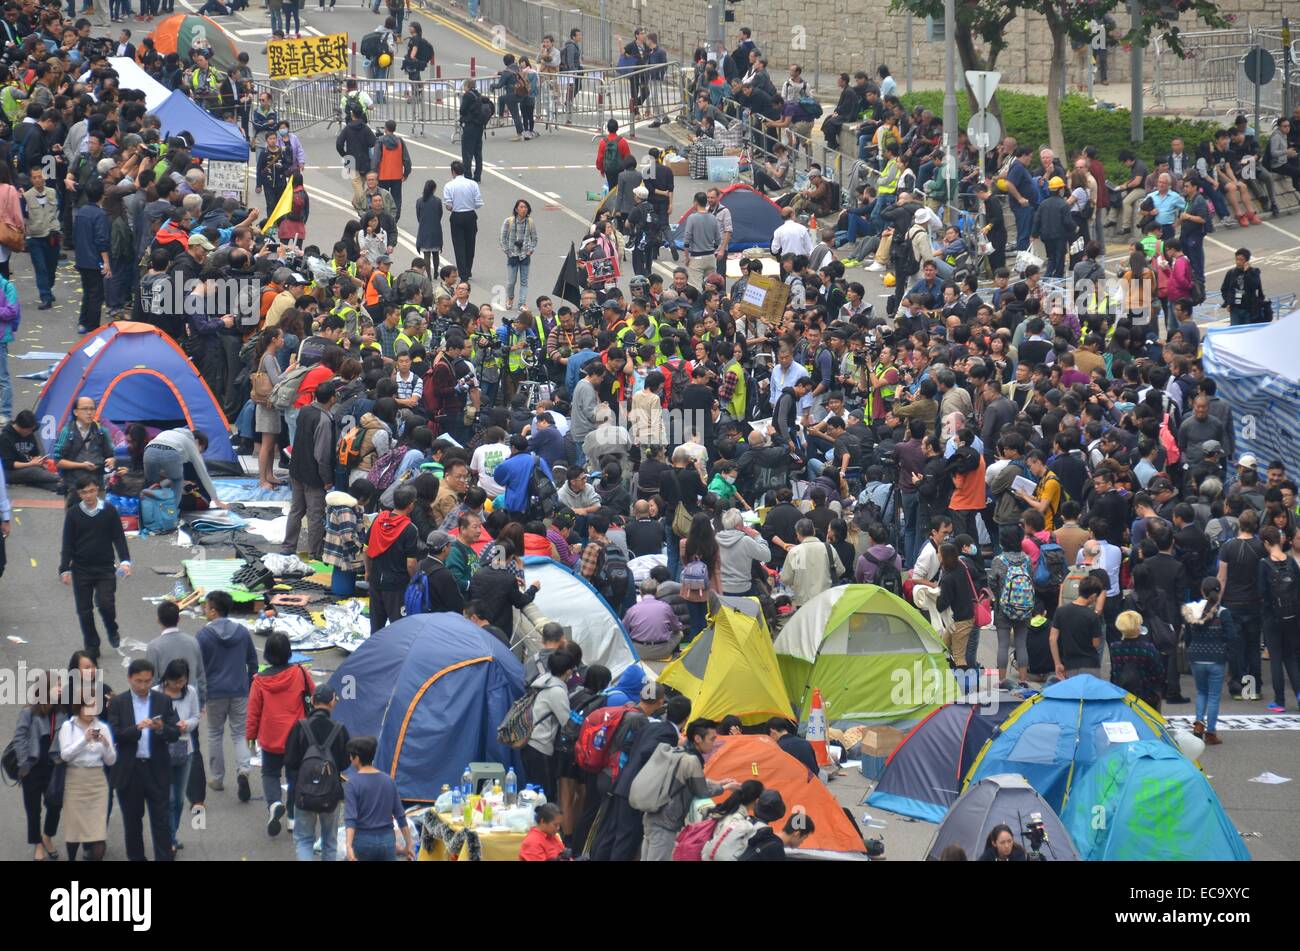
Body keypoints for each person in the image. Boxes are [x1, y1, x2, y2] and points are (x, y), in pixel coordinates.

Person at [105, 658, 180, 862]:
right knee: (132, 821)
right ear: (130, 679)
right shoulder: (118, 702)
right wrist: (136, 729)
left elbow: (175, 733)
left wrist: (161, 728)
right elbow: (114, 733)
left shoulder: (163, 701)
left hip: (157, 769)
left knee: (161, 821)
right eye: (139, 681)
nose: (143, 686)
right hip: (131, 770)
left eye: (147, 681)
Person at [639, 718, 739, 861]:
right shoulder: (692, 760)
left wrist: (720, 782)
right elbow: (701, 790)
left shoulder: (680, 751)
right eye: (711, 739)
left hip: (652, 815)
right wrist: (726, 787)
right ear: (698, 738)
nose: (714, 743)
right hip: (665, 821)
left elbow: (693, 781)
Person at [246, 631, 316, 838]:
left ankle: (274, 803)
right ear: (288, 652)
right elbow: (312, 696)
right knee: (295, 777)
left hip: (270, 738)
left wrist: (250, 737)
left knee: (270, 774)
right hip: (298, 737)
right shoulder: (300, 673)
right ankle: (293, 817)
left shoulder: (259, 682)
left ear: (267, 654)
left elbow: (253, 712)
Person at [60, 475, 131, 660]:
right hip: (81, 569)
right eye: (84, 492)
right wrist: (64, 569)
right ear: (79, 493)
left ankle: (111, 628)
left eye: (92, 491)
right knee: (84, 610)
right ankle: (92, 645)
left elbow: (119, 537)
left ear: (98, 490)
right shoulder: (74, 514)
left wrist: (125, 561)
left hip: (105, 568)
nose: (89, 495)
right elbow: (67, 543)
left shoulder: (109, 510)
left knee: (105, 603)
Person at [197, 590, 257, 802]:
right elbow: (253, 662)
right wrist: (248, 686)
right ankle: (243, 770)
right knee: (239, 733)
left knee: (214, 733)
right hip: (239, 690)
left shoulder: (203, 636)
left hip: (214, 692)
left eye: (206, 607)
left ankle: (217, 778)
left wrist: (200, 694)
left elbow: (198, 668)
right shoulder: (241, 632)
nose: (204, 610)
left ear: (213, 611)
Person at [284, 685, 352, 862]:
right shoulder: (340, 729)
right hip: (331, 794)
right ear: (332, 703)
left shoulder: (300, 726)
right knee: (329, 842)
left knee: (304, 840)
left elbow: (290, 761)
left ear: (312, 702)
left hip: (304, 794)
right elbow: (345, 763)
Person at [54, 694, 115, 863]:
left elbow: (111, 760)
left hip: (97, 781)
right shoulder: (69, 726)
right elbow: (65, 755)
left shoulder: (103, 727)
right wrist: (84, 739)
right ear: (79, 707)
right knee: (74, 831)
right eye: (87, 706)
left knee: (98, 833)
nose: (91, 711)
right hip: (75, 780)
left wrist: (106, 745)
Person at [282, 380, 338, 560]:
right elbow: (321, 455)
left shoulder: (305, 410)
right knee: (315, 514)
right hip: (313, 475)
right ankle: (315, 552)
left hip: (297, 469)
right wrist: (327, 479)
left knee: (296, 510)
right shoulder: (324, 419)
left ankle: (288, 546)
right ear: (332, 398)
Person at [15, 673, 65, 861]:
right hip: (33, 768)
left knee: (55, 806)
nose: (60, 689)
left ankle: (47, 837)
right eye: (56, 685)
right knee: (33, 809)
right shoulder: (29, 711)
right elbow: (19, 738)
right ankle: (37, 843)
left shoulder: (61, 711)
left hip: (54, 767)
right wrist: (24, 764)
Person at [153, 658, 199, 856]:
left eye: (183, 681)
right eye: (176, 681)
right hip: (161, 751)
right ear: (168, 679)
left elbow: (196, 717)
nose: (179, 685)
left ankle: (171, 834)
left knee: (179, 799)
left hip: (184, 750)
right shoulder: (155, 692)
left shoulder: (191, 692)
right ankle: (167, 839)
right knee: (168, 799)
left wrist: (186, 725)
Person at [344, 736, 415, 861]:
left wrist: (349, 845)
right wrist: (409, 844)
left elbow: (351, 818)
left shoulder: (352, 783)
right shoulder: (388, 781)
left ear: (357, 758)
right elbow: (400, 815)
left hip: (363, 840)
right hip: (387, 841)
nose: (350, 759)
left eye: (351, 756)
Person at [1184, 577, 1236, 746]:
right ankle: (1211, 732)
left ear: (1202, 591)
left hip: (1196, 657)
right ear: (1219, 591)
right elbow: (1231, 636)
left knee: (1201, 692)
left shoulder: (1192, 609)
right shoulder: (1223, 612)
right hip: (1216, 658)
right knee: (1214, 696)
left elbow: (1187, 637)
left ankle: (1198, 725)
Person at [367, 484, 420, 632]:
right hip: (396, 585)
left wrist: (368, 571)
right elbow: (411, 563)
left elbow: (366, 549)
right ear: (410, 505)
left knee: (376, 626)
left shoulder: (378, 520)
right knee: (398, 627)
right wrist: (415, 580)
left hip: (376, 580)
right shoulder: (410, 529)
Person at [1259, 526, 1300, 713]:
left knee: (1276, 658)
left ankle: (1280, 701)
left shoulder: (1264, 564)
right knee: (1291, 656)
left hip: (1272, 617)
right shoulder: (1291, 562)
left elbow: (1261, 593)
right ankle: (1299, 695)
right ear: (1281, 540)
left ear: (1267, 543)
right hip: (1292, 616)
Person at [145, 601, 208, 712]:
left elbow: (151, 680)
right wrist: (201, 702)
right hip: (190, 703)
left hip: (164, 704)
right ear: (179, 619)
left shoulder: (154, 646)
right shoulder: (193, 642)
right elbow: (201, 675)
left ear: (158, 620)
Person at [779, 517, 844, 608]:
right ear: (813, 531)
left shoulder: (795, 552)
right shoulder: (828, 548)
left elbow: (786, 579)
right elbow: (840, 570)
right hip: (826, 599)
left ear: (798, 534)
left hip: (803, 602)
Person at [1050, 575, 1105, 679]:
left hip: (1069, 664)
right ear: (1093, 596)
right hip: (1090, 665)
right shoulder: (1092, 616)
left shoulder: (1061, 611)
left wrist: (1057, 663)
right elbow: (1096, 643)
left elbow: (1052, 639)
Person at [1110, 610, 1165, 711]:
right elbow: (1158, 672)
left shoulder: (1115, 648)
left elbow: (1115, 672)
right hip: (1146, 693)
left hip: (1123, 692)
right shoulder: (1148, 648)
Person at [622, 579, 685, 661]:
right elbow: (677, 628)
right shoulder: (665, 607)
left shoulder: (632, 610)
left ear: (640, 592)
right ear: (657, 592)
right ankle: (675, 654)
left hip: (638, 652)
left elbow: (623, 631)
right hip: (662, 651)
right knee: (679, 633)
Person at [443, 160, 483, 280]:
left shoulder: (449, 185)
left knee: (459, 245)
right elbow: (478, 203)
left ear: (453, 172)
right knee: (470, 243)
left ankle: (463, 272)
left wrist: (453, 207)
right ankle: (468, 269)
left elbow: (448, 205)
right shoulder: (473, 184)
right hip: (470, 215)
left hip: (457, 216)